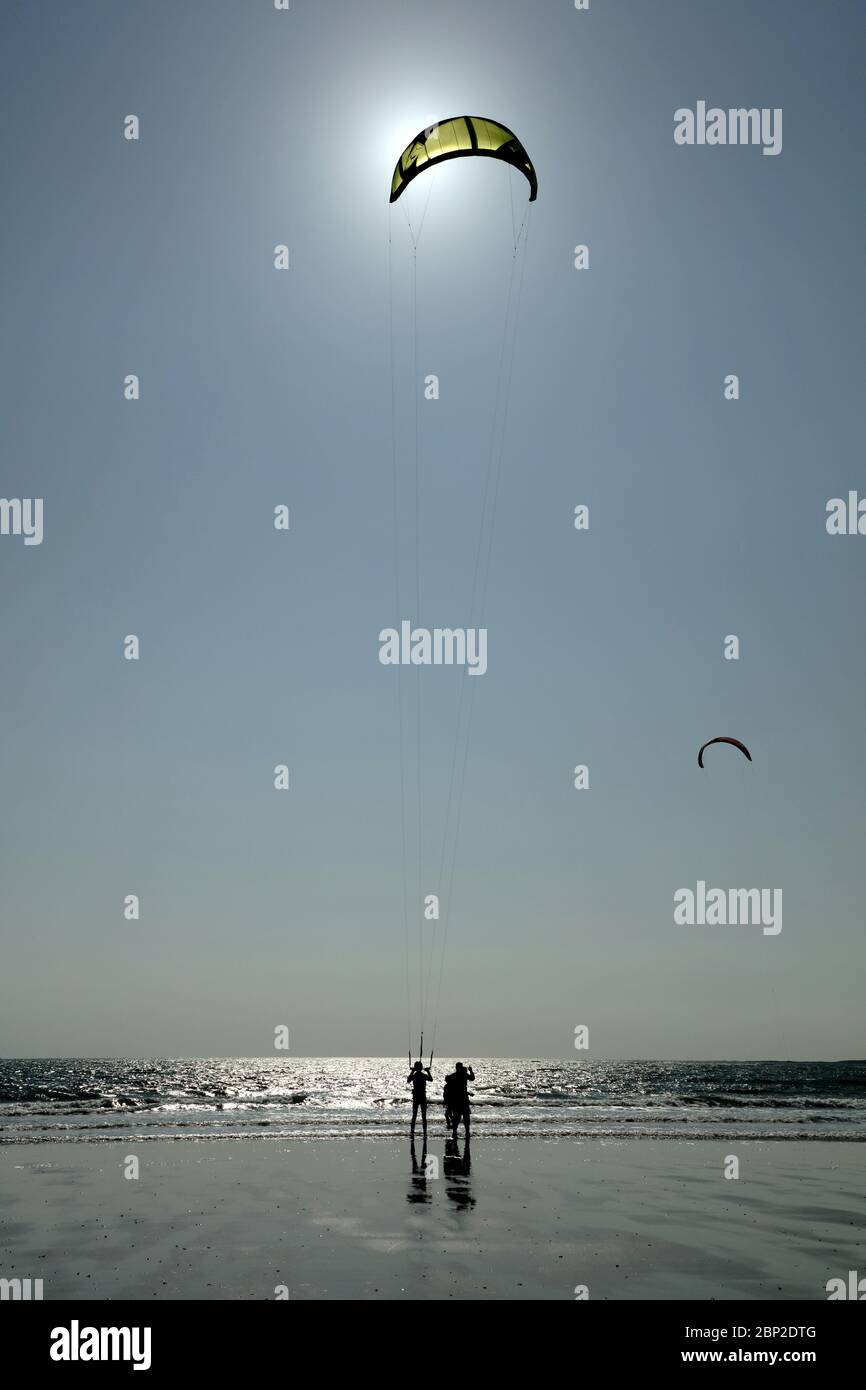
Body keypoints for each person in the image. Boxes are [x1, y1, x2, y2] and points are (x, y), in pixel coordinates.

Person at [444, 1062, 475, 1139]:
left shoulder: (452, 1076)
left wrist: (448, 1101)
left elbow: (450, 1089)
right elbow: (472, 1078)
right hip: (464, 1099)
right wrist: (471, 1071)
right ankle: (467, 1133)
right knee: (466, 1118)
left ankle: (454, 1133)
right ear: (460, 1068)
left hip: (456, 1100)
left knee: (456, 1118)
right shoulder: (464, 1075)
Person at [406, 1060, 432, 1140]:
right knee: (423, 1116)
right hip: (422, 1096)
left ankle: (412, 1132)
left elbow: (408, 1080)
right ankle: (424, 1132)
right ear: (421, 1068)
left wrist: (412, 1071)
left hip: (417, 1097)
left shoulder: (414, 1075)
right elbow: (431, 1079)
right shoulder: (423, 1075)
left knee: (414, 1115)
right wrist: (428, 1071)